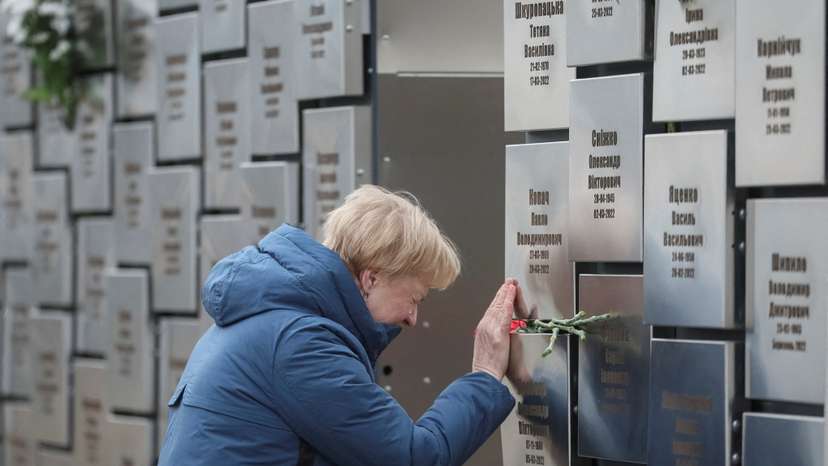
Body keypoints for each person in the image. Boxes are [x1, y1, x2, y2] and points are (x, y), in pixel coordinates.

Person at [159, 185, 526, 465]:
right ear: (371, 279)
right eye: (415, 298)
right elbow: (414, 458)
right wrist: (484, 375)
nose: (413, 318)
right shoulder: (301, 344)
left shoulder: (273, 319)